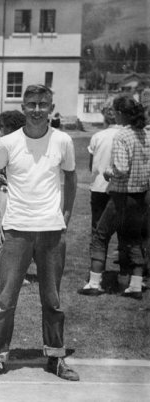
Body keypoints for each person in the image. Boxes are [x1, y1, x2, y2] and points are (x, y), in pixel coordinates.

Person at [0, 84, 79, 382]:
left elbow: (71, 178)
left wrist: (65, 215)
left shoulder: (63, 140)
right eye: (31, 104)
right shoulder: (7, 142)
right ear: (23, 107)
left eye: (43, 104)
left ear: (51, 107)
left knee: (52, 300)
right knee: (6, 300)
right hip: (16, 230)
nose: (37, 109)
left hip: (50, 231)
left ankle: (56, 358)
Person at [78, 95, 150, 300]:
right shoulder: (145, 134)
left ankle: (94, 283)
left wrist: (108, 172)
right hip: (141, 195)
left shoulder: (122, 136)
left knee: (101, 235)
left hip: (121, 195)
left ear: (119, 114)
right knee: (133, 237)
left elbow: (121, 167)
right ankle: (135, 285)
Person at [77, 101, 122, 296]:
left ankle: (96, 276)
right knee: (125, 232)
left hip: (99, 188)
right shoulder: (128, 135)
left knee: (98, 232)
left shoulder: (98, 136)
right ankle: (126, 277)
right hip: (122, 189)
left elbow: (91, 167)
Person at [0, 110, 26, 270]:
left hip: (19, 191)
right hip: (3, 191)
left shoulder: (23, 143)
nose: (0, 129)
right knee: (0, 226)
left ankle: (13, 264)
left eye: (3, 126)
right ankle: (2, 260)